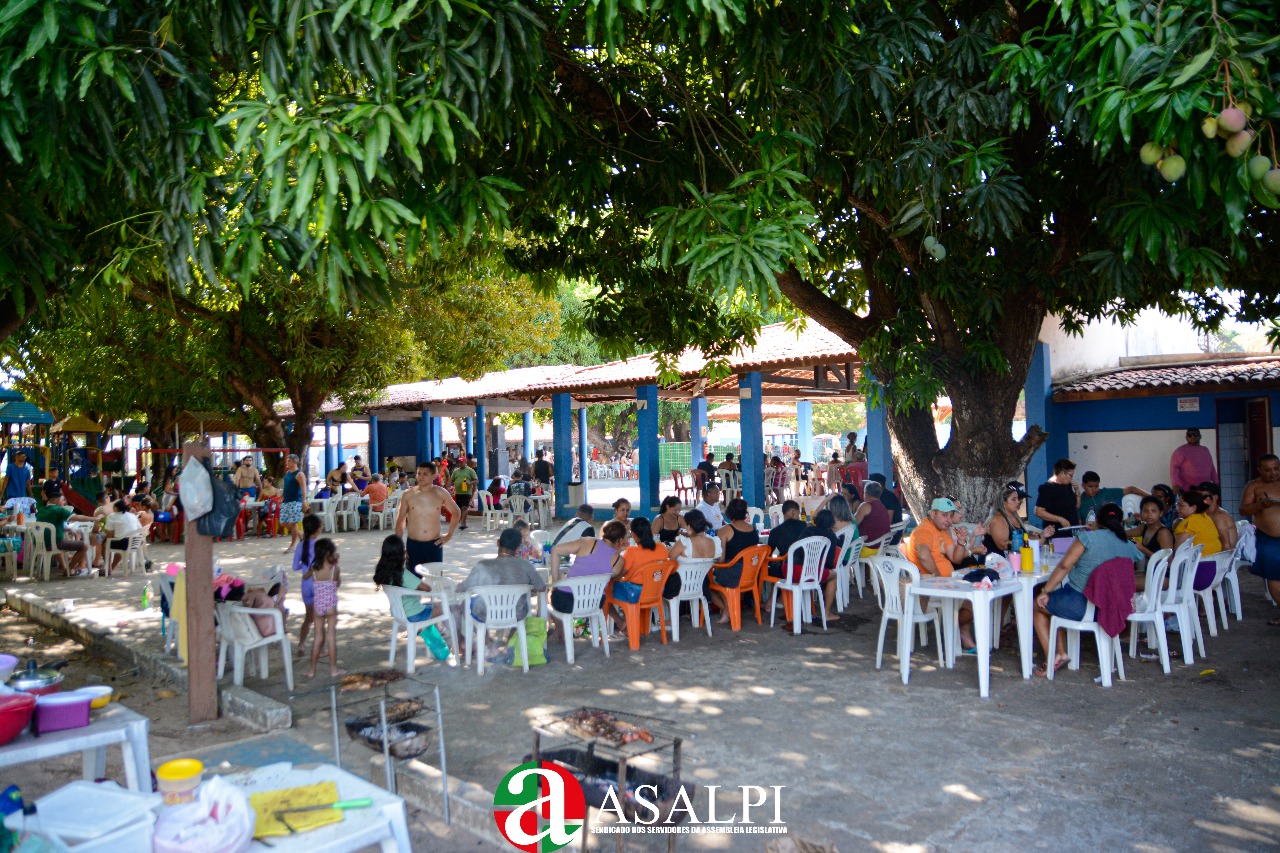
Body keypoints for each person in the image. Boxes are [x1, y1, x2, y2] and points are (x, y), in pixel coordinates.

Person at [1034, 503, 1140, 675]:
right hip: (1113, 608)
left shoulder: (1087, 538)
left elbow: (1064, 566)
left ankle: (1053, 657)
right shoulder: (1127, 544)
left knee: (1038, 605)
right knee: (1055, 602)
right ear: (1120, 522)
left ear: (1097, 520)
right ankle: (1061, 653)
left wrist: (1045, 591)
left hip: (1082, 604)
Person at [906, 497, 977, 649]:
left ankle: (957, 631)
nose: (949, 520)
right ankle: (960, 633)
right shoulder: (924, 530)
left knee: (977, 588)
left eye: (951, 515)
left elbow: (956, 558)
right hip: (928, 586)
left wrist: (961, 542)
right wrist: (940, 579)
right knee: (973, 597)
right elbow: (923, 555)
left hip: (944, 582)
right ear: (933, 514)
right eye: (944, 515)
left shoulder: (942, 530)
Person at [373, 534, 449, 659]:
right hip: (415, 614)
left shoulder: (382, 572)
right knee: (448, 606)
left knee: (431, 607)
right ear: (401, 553)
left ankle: (439, 646)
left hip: (399, 614)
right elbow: (427, 588)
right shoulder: (402, 573)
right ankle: (458, 643)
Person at [456, 528, 546, 626]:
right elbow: (542, 587)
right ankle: (514, 632)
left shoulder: (483, 565)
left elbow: (464, 588)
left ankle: (484, 635)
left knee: (465, 603)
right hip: (517, 613)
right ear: (518, 548)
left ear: (498, 543)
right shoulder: (526, 565)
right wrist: (528, 587)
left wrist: (458, 585)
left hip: (486, 613)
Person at [548, 520, 628, 616]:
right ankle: (568, 625)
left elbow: (555, 550)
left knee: (550, 595)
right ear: (620, 540)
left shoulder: (587, 542)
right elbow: (613, 577)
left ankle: (563, 625)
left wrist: (555, 583)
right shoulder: (619, 561)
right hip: (595, 602)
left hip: (567, 599)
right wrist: (617, 552)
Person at [395, 461, 462, 571]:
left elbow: (456, 512)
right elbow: (400, 520)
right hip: (413, 544)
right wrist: (399, 545)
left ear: (434, 476)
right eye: (419, 473)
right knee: (413, 579)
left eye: (425, 474)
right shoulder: (408, 494)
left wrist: (449, 535)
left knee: (434, 578)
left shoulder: (440, 493)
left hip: (434, 544)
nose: (421, 477)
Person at [610, 517, 669, 633]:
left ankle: (620, 622)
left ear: (634, 535)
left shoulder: (632, 551)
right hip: (657, 591)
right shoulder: (662, 548)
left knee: (607, 590)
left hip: (636, 594)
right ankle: (634, 623)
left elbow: (619, 574)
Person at [1240, 453, 1280, 624]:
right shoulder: (1254, 486)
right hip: (1268, 538)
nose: (1274, 473)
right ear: (1260, 470)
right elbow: (1243, 510)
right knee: (1274, 577)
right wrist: (1260, 505)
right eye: (1268, 470)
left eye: (1276, 469)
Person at [303, 538, 345, 678]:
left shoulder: (314, 569)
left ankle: (311, 670)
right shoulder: (335, 569)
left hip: (318, 606)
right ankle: (333, 669)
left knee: (318, 637)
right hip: (331, 606)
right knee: (331, 636)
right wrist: (335, 563)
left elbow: (305, 577)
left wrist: (311, 570)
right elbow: (338, 583)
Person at [984, 483, 1054, 555]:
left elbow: (1023, 538)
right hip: (997, 559)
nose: (1018, 501)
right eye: (1013, 499)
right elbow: (1003, 545)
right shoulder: (998, 519)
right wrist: (1031, 543)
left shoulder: (1014, 515)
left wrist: (1041, 535)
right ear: (1004, 502)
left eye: (1018, 498)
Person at [1174, 490, 1222, 591]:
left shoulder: (1190, 522)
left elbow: (1178, 551)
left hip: (1198, 573)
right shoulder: (1206, 518)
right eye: (1177, 505)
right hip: (1215, 571)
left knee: (1156, 572)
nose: (1177, 508)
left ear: (1194, 508)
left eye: (1181, 505)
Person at [35, 494, 94, 576]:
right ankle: (69, 570)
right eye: (63, 500)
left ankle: (66, 567)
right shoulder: (59, 510)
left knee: (59, 540)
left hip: (40, 545)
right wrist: (94, 518)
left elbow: (50, 525)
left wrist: (68, 528)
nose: (65, 502)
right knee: (85, 546)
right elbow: (77, 518)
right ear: (56, 501)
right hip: (55, 544)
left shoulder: (41, 510)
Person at [292, 515, 324, 656]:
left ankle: (301, 645)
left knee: (309, 618)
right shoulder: (320, 546)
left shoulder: (300, 545)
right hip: (318, 584)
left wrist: (305, 566)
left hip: (305, 585)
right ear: (318, 530)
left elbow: (295, 567)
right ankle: (320, 650)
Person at [1077, 471, 1145, 523]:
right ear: (1083, 485)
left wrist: (1150, 498)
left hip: (1113, 531)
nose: (1094, 490)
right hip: (1091, 534)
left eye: (1096, 486)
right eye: (1090, 486)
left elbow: (1131, 489)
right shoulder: (1079, 502)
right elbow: (1079, 527)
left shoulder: (1106, 493)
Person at [1035, 458, 1080, 535]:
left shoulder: (1067, 486)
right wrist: (1060, 519)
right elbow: (1039, 511)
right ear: (1062, 473)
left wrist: (1077, 492)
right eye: (1070, 475)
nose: (1071, 478)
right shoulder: (1048, 488)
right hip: (1057, 531)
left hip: (1072, 530)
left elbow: (1076, 507)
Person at [1127, 495, 1174, 568]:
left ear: (1160, 513)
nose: (1149, 514)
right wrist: (1130, 520)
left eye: (1153, 511)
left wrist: (1142, 549)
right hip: (1149, 569)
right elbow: (1124, 533)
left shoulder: (1163, 533)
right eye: (1146, 511)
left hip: (1162, 572)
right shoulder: (1144, 527)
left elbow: (1168, 562)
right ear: (1141, 513)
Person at [1170, 428, 1218, 494]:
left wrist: (1216, 483)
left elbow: (1211, 468)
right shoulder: (1181, 451)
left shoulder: (1205, 450)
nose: (1192, 437)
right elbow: (1174, 468)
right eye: (1189, 435)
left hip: (1205, 490)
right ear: (1186, 438)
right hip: (1187, 490)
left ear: (1200, 436)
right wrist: (1175, 485)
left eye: (1195, 434)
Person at [102, 498, 143, 576]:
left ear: (116, 508)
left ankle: (108, 568)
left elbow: (110, 533)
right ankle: (111, 567)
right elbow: (140, 528)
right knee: (120, 542)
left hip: (124, 543)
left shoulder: (112, 516)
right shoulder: (132, 515)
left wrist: (104, 540)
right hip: (136, 542)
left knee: (105, 544)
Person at [765, 501, 809, 569]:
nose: (798, 517)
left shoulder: (775, 532)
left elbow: (768, 555)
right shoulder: (804, 526)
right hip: (806, 567)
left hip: (786, 568)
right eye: (798, 514)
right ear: (793, 512)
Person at [1197, 482, 1238, 552]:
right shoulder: (1207, 514)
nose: (1200, 500)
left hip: (1221, 556)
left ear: (1215, 498)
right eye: (1198, 497)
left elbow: (1227, 547)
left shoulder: (1219, 517)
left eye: (1203, 497)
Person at [281, 454, 309, 551]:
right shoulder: (288, 473)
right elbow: (286, 487)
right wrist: (282, 497)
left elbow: (304, 488)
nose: (287, 462)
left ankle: (293, 545)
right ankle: (300, 534)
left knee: (293, 524)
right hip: (286, 501)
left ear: (295, 462)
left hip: (295, 501)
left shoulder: (299, 474)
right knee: (283, 522)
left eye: (289, 461)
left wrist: (303, 501)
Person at [854, 482, 890, 547]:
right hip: (882, 547)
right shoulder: (882, 506)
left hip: (868, 548)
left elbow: (853, 524)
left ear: (866, 493)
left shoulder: (865, 506)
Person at [451, 456, 478, 530]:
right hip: (458, 492)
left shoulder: (470, 470)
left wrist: (470, 483)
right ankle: (463, 521)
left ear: (465, 462)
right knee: (459, 508)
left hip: (467, 492)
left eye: (461, 462)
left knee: (464, 507)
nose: (460, 464)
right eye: (459, 463)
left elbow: (476, 480)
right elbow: (451, 480)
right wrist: (449, 487)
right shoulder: (456, 471)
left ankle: (463, 523)